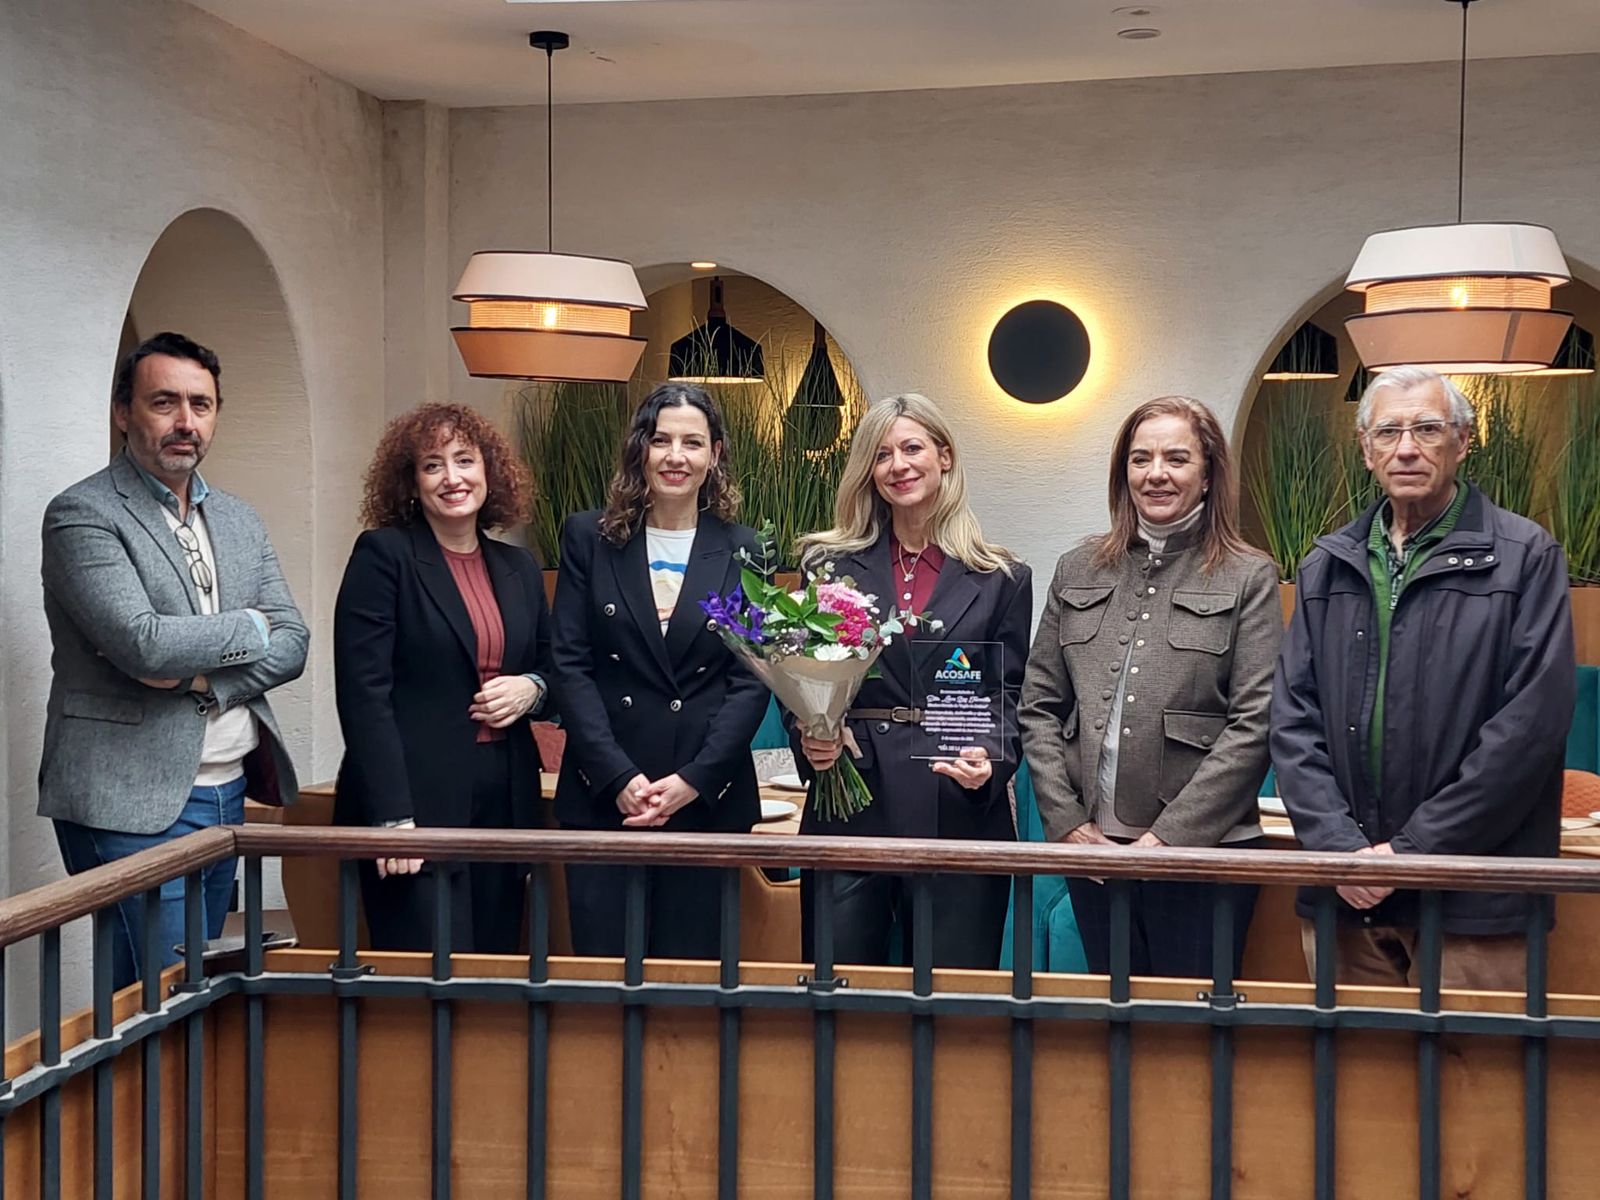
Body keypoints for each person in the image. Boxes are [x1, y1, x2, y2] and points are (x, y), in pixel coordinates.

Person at [1273, 365, 1575, 991]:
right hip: (1348, 895)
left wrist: (1411, 853)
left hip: (1474, 898)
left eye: (1427, 429)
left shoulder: (1525, 557)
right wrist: (1340, 851)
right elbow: (1292, 719)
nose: (1406, 447)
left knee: (1476, 1081)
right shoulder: (1327, 565)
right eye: (1388, 432)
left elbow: (1529, 730)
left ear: (1463, 442)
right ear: (1366, 450)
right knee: (1352, 1081)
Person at [40, 331, 308, 989]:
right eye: (165, 402)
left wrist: (202, 679)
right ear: (123, 411)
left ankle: (162, 1097)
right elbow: (145, 644)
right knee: (156, 995)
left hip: (228, 788)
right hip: (127, 798)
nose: (186, 422)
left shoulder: (240, 520)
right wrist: (251, 625)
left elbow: (295, 639)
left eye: (201, 404)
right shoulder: (83, 514)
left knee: (184, 994)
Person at [1019, 396, 1280, 979]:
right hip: (1094, 853)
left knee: (1185, 1038)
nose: (1156, 473)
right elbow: (1037, 706)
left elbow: (1254, 722)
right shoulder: (1078, 567)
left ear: (1208, 474)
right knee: (1118, 1029)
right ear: (1123, 474)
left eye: (1176, 458)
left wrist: (1168, 839)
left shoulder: (1249, 575)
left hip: (1203, 856)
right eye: (1141, 459)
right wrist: (1067, 826)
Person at [794, 393, 1031, 969]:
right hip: (850, 794)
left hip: (958, 800)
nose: (898, 465)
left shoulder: (1001, 577)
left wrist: (992, 759)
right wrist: (811, 732)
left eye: (912, 448)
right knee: (838, 986)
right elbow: (801, 674)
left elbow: (1011, 695)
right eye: (881, 455)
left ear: (944, 456)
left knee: (955, 996)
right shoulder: (827, 565)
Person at [549, 383, 770, 959]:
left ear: (715, 454)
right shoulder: (589, 537)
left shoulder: (746, 549)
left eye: (693, 442)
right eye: (662, 440)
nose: (677, 456)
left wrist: (694, 779)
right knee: (603, 980)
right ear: (640, 449)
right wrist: (619, 777)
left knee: (690, 987)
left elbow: (750, 680)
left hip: (706, 800)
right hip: (605, 796)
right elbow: (570, 664)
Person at [333, 403, 552, 954]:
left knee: (496, 973)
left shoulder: (520, 568)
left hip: (506, 800)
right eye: (433, 465)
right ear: (411, 482)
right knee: (428, 981)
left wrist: (533, 689)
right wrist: (392, 818)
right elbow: (364, 695)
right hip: (414, 804)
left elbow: (558, 669)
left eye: (464, 460)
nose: (452, 477)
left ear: (488, 471)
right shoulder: (384, 556)